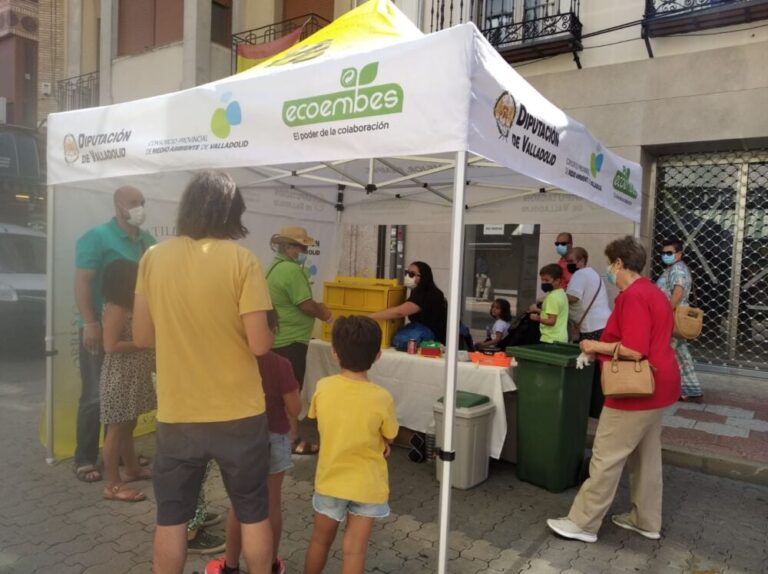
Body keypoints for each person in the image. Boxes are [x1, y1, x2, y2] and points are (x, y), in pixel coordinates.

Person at [133, 171, 274, 574]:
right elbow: (260, 344)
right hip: (240, 414)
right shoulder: (242, 261)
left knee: (172, 518)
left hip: (179, 413)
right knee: (252, 512)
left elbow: (142, 335)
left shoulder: (153, 257)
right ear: (231, 212)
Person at [546, 236, 680, 543]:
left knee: (606, 456)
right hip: (659, 385)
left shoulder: (632, 296)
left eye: (610, 264)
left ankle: (583, 523)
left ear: (619, 263)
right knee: (646, 458)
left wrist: (593, 345)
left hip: (635, 389)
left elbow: (634, 348)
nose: (609, 271)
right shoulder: (653, 292)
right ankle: (646, 521)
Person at [207, 311, 302, 574]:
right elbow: (295, 408)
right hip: (275, 436)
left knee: (240, 505)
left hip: (239, 440)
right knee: (271, 505)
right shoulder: (280, 364)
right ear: (271, 331)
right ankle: (270, 564)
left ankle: (230, 566)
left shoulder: (229, 362)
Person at [304, 316, 399, 574]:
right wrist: (383, 443)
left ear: (334, 352)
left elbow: (317, 418)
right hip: (367, 484)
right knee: (354, 550)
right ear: (378, 355)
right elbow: (390, 434)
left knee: (320, 541)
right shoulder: (382, 397)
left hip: (331, 480)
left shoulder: (323, 388)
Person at [73, 185, 155, 483]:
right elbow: (82, 281)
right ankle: (84, 458)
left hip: (135, 330)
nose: (139, 206)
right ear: (118, 205)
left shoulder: (147, 241)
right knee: (97, 395)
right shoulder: (97, 237)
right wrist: (90, 321)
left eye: (142, 201)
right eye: (134, 201)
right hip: (102, 326)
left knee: (125, 406)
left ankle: (122, 459)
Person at [266, 226, 331, 455]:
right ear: (286, 246)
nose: (304, 251)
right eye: (300, 247)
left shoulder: (274, 268)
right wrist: (326, 314)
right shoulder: (290, 271)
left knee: (277, 393)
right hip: (291, 341)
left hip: (279, 339)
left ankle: (279, 438)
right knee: (290, 393)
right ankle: (292, 440)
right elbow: (305, 304)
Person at [99, 259, 155, 503]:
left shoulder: (129, 306)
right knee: (117, 428)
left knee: (128, 425)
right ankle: (112, 485)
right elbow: (110, 346)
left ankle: (131, 469)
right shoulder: (117, 308)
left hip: (133, 376)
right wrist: (144, 343)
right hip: (120, 378)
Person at [656, 239, 704, 401]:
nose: (665, 255)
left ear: (679, 253)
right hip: (675, 316)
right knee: (681, 354)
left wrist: (666, 312)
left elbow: (678, 292)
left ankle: (666, 387)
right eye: (663, 253)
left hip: (673, 316)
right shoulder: (675, 268)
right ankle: (690, 389)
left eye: (669, 253)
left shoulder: (677, 269)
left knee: (664, 352)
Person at [370, 261, 448, 344]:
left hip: (434, 340)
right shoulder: (423, 291)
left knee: (400, 340)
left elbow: (400, 312)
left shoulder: (429, 294)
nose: (407, 276)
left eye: (411, 274)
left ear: (423, 276)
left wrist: (369, 317)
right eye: (406, 273)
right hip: (430, 334)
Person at [565, 247, 612, 342]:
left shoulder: (580, 274)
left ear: (582, 260)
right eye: (567, 262)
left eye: (571, 261)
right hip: (604, 324)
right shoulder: (592, 273)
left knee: (588, 356)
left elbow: (573, 297)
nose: (568, 265)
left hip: (591, 326)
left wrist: (552, 297)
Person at [530, 264, 569, 344]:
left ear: (557, 280)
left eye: (547, 280)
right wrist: (538, 310)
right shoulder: (562, 293)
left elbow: (551, 321)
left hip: (550, 339)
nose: (543, 283)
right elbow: (554, 313)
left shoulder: (552, 297)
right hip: (561, 338)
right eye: (542, 280)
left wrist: (538, 319)